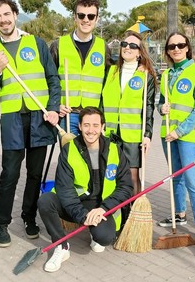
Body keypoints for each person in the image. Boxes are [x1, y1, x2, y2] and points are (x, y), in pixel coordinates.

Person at [0, 0, 61, 248]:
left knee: (35, 174)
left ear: (15, 14)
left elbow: (53, 80)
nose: (3, 19)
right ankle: (1, 223)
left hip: (40, 118)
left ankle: (29, 218)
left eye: (7, 14)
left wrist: (53, 110)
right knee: (10, 174)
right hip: (12, 119)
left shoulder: (37, 43)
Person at [38, 106, 133, 273]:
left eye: (96, 125)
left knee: (104, 238)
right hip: (76, 202)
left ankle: (95, 233)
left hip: (101, 206)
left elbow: (126, 187)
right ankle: (61, 246)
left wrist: (103, 209)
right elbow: (65, 190)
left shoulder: (115, 150)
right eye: (86, 125)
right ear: (80, 126)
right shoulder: (70, 149)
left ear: (103, 127)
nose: (91, 130)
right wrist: (83, 216)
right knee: (45, 201)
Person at [157, 32, 195, 245]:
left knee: (192, 181)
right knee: (175, 176)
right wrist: (162, 108)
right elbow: (161, 103)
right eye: (171, 46)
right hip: (167, 134)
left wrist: (181, 130)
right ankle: (179, 214)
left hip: (187, 135)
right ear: (167, 51)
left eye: (180, 45)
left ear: (187, 47)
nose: (176, 49)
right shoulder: (167, 74)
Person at [102, 31, 156, 195]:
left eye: (133, 46)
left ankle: (134, 216)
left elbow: (149, 107)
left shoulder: (146, 75)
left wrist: (147, 134)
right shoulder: (110, 71)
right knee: (111, 175)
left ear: (140, 52)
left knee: (132, 177)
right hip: (110, 133)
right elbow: (101, 101)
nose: (127, 48)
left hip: (133, 136)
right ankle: (117, 214)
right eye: (124, 44)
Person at [50, 0, 112, 136]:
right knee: (71, 156)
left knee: (91, 157)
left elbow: (112, 78)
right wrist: (55, 105)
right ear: (75, 17)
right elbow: (48, 79)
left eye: (91, 16)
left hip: (93, 115)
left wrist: (140, 66)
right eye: (81, 15)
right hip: (68, 114)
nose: (86, 20)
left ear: (96, 19)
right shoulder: (58, 45)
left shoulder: (103, 47)